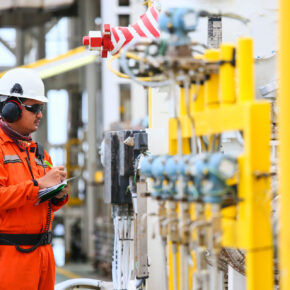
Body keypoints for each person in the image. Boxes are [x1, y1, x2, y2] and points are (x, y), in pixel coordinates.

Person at [0, 68, 69, 290]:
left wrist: (58, 194)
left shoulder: (39, 153)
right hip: (11, 257)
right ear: (12, 109)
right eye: (35, 108)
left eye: (42, 109)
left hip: (44, 255)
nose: (40, 114)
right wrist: (39, 185)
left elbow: (42, 203)